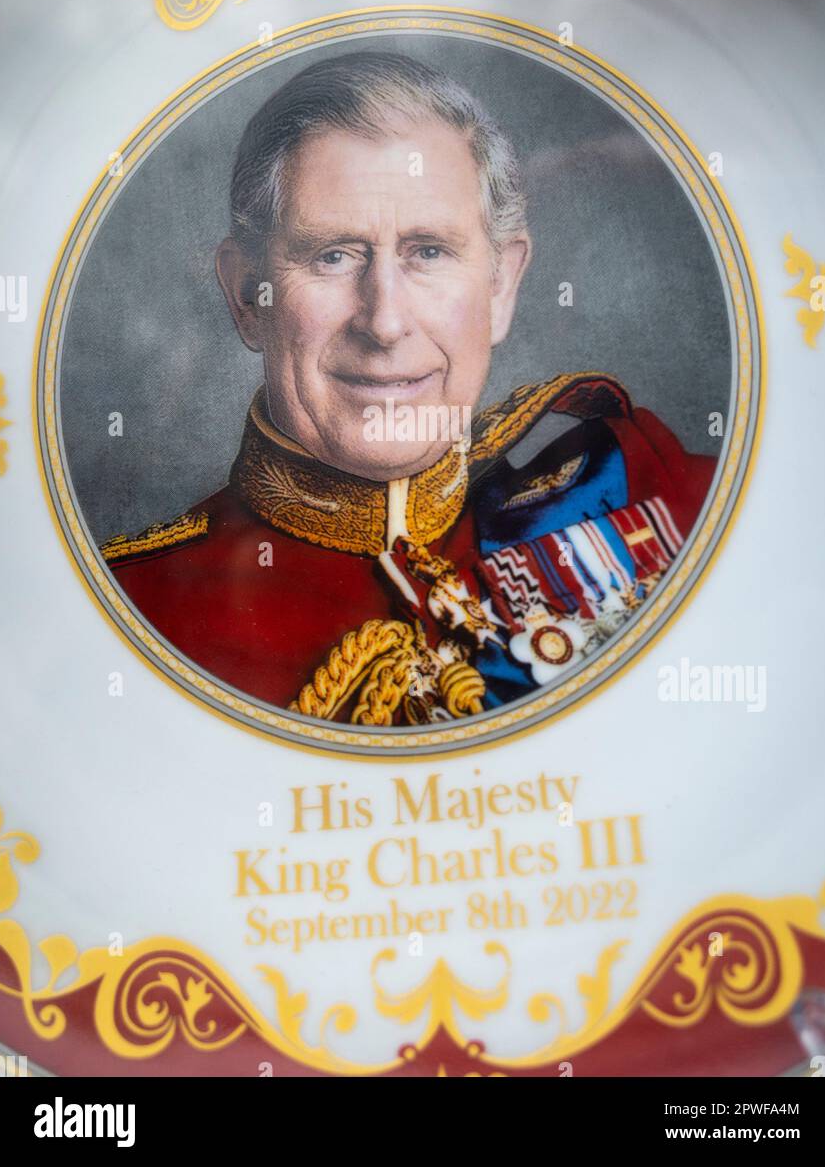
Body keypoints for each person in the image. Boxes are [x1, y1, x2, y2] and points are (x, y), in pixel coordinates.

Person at [101, 51, 715, 727]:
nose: (385, 322)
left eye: (428, 252)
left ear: (501, 285)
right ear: (247, 295)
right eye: (333, 256)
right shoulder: (127, 617)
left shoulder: (655, 496)